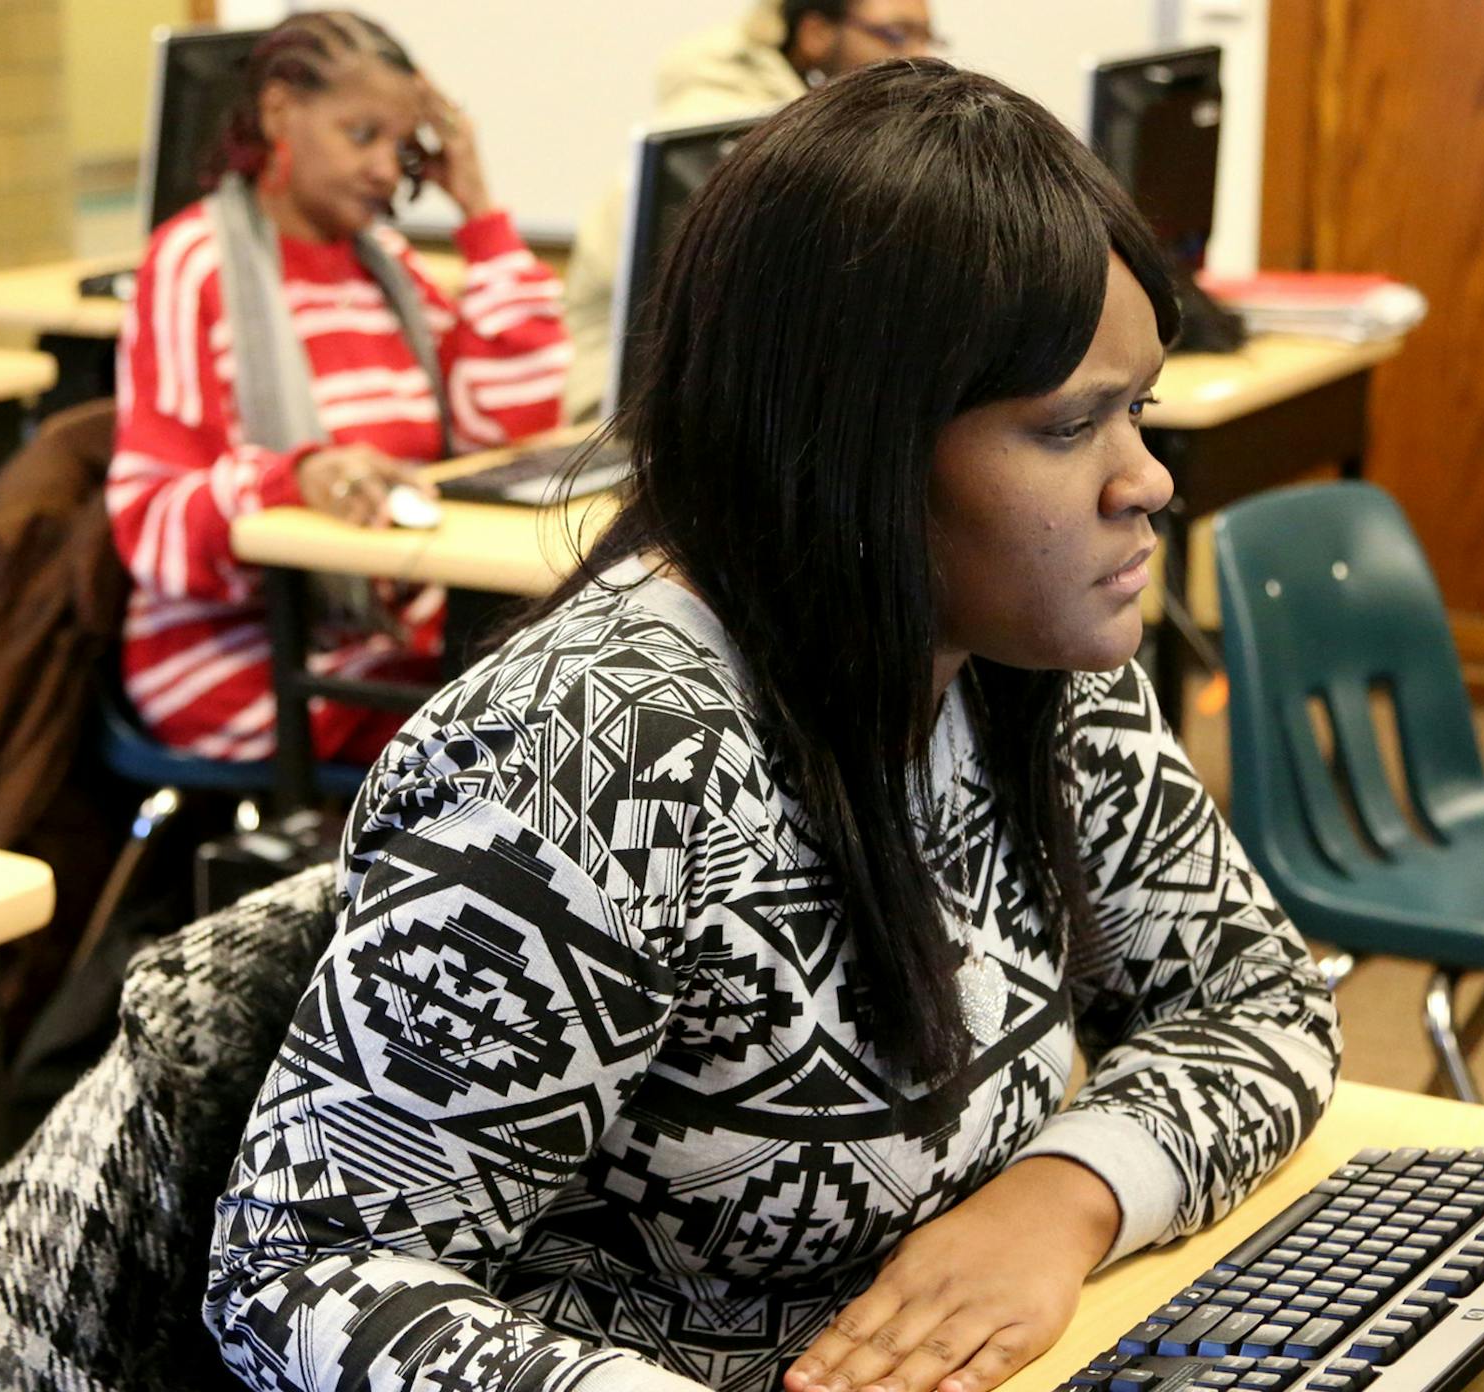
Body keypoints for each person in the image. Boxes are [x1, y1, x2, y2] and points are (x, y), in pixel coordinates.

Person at [207, 59, 1342, 1392]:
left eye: (1134, 410)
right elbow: (298, 1270)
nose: (1145, 482)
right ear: (857, 444)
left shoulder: (1038, 665)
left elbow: (1261, 1001)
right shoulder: (597, 760)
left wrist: (1068, 1193)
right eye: (1068, 427)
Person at [110, 11, 567, 763]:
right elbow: (149, 520)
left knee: (571, 700)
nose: (389, 171)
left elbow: (508, 436)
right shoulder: (192, 264)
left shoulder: (385, 263)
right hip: (240, 658)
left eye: (405, 146)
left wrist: (479, 209)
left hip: (391, 633)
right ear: (280, 111)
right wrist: (298, 479)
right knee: (526, 748)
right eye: (362, 136)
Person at [559, 0, 940, 420]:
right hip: (624, 412)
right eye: (897, 35)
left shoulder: (807, 123)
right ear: (816, 33)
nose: (922, 57)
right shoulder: (738, 134)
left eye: (928, 36)